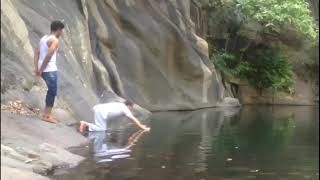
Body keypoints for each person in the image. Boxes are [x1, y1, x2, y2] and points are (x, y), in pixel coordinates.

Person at [33, 20, 64, 123]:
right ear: (59, 29)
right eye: (62, 30)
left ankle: (46, 114)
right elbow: (49, 55)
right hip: (50, 69)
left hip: (44, 68)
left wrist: (37, 67)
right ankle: (47, 116)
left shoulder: (44, 38)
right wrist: (41, 69)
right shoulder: (55, 40)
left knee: (51, 91)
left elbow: (36, 52)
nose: (62, 33)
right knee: (52, 91)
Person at [79, 100, 150, 133]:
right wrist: (143, 128)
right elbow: (133, 118)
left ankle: (86, 126)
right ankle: (85, 124)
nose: (130, 109)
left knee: (101, 127)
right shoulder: (124, 108)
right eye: (131, 108)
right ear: (128, 106)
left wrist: (140, 125)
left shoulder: (119, 104)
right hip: (102, 111)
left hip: (98, 108)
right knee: (101, 129)